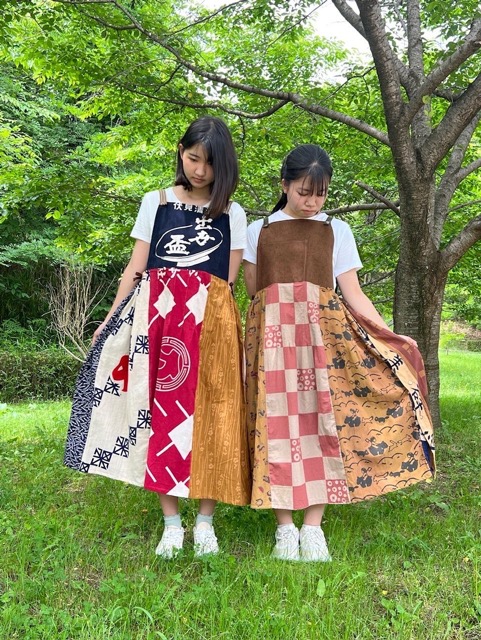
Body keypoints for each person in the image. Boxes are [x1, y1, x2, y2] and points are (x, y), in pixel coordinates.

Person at [65, 116, 251, 558]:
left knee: (215, 415)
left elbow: (227, 281)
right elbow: (136, 267)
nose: (199, 170)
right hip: (156, 323)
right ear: (181, 152)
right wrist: (110, 318)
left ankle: (204, 522)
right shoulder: (157, 201)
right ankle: (171, 523)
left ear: (224, 165)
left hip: (210, 325)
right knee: (157, 415)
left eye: (209, 163)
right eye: (193, 158)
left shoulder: (233, 213)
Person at [243, 144, 435, 562]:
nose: (312, 202)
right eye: (303, 192)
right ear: (284, 185)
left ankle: (312, 528)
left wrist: (389, 336)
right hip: (272, 342)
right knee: (273, 424)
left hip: (324, 340)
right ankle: (284, 528)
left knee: (320, 423)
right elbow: (255, 290)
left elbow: (353, 293)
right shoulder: (258, 230)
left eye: (321, 193)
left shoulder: (337, 230)